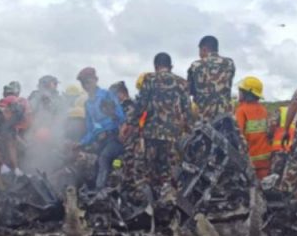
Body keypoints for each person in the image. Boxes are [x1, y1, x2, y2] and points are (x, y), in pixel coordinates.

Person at [128, 53, 192, 191]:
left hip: (151, 134)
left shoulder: (149, 79)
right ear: (171, 67)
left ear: (155, 67)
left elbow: (140, 105)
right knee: (169, 174)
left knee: (150, 174)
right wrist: (188, 131)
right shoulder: (182, 83)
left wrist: (130, 124)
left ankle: (153, 204)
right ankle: (169, 203)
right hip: (172, 136)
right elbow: (187, 111)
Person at [77, 67, 125, 190]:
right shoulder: (87, 104)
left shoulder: (107, 95)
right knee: (95, 164)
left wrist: (112, 116)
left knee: (104, 158)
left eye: (88, 81)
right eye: (83, 83)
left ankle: (100, 192)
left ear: (95, 80)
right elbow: (90, 130)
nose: (86, 85)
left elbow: (121, 117)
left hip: (115, 138)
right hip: (101, 141)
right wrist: (80, 143)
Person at [187, 35, 235, 122]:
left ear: (204, 49)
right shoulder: (230, 63)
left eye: (200, 51)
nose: (199, 55)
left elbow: (190, 91)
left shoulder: (195, 66)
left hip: (204, 121)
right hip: (225, 119)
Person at [234, 76, 271, 180]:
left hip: (250, 161)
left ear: (246, 93)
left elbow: (237, 135)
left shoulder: (241, 111)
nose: (239, 93)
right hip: (265, 160)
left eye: (240, 91)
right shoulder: (263, 109)